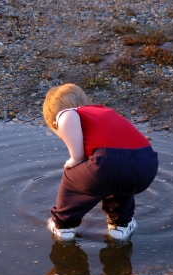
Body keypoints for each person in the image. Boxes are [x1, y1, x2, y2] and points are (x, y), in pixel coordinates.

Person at [43, 83, 158, 240]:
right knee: (120, 182)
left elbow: (78, 156)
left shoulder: (68, 114)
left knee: (72, 173)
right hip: (147, 164)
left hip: (109, 163)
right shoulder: (104, 112)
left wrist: (73, 160)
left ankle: (63, 226)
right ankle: (120, 226)